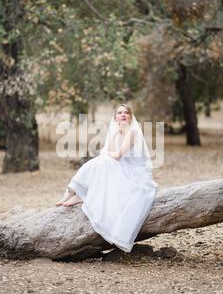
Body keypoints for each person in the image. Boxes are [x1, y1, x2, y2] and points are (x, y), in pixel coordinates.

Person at [55, 104, 158, 253]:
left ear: (130, 116)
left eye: (126, 113)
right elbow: (105, 151)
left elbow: (116, 155)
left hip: (136, 174)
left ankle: (74, 193)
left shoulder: (134, 132)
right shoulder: (115, 131)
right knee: (101, 163)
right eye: (120, 113)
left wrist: (107, 153)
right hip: (123, 168)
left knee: (103, 162)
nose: (123, 115)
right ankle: (74, 193)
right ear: (115, 117)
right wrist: (116, 133)